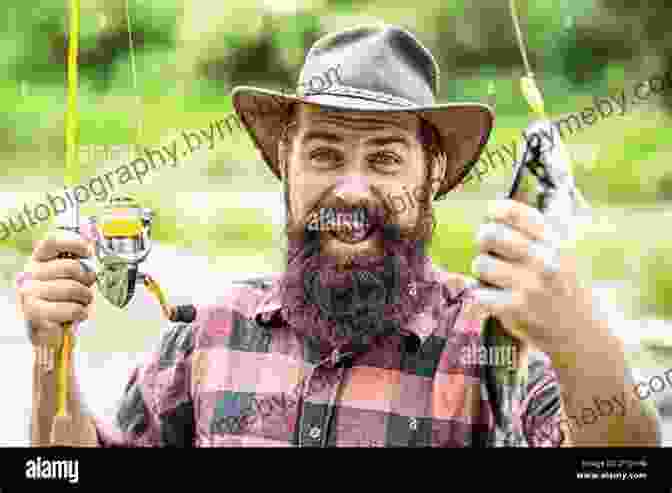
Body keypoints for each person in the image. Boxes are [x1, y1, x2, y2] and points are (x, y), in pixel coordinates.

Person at [17, 24, 660, 447]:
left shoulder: (495, 344)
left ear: (432, 175)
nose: (350, 189)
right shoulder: (204, 333)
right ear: (286, 168)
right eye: (324, 155)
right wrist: (51, 353)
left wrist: (584, 342)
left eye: (383, 159)